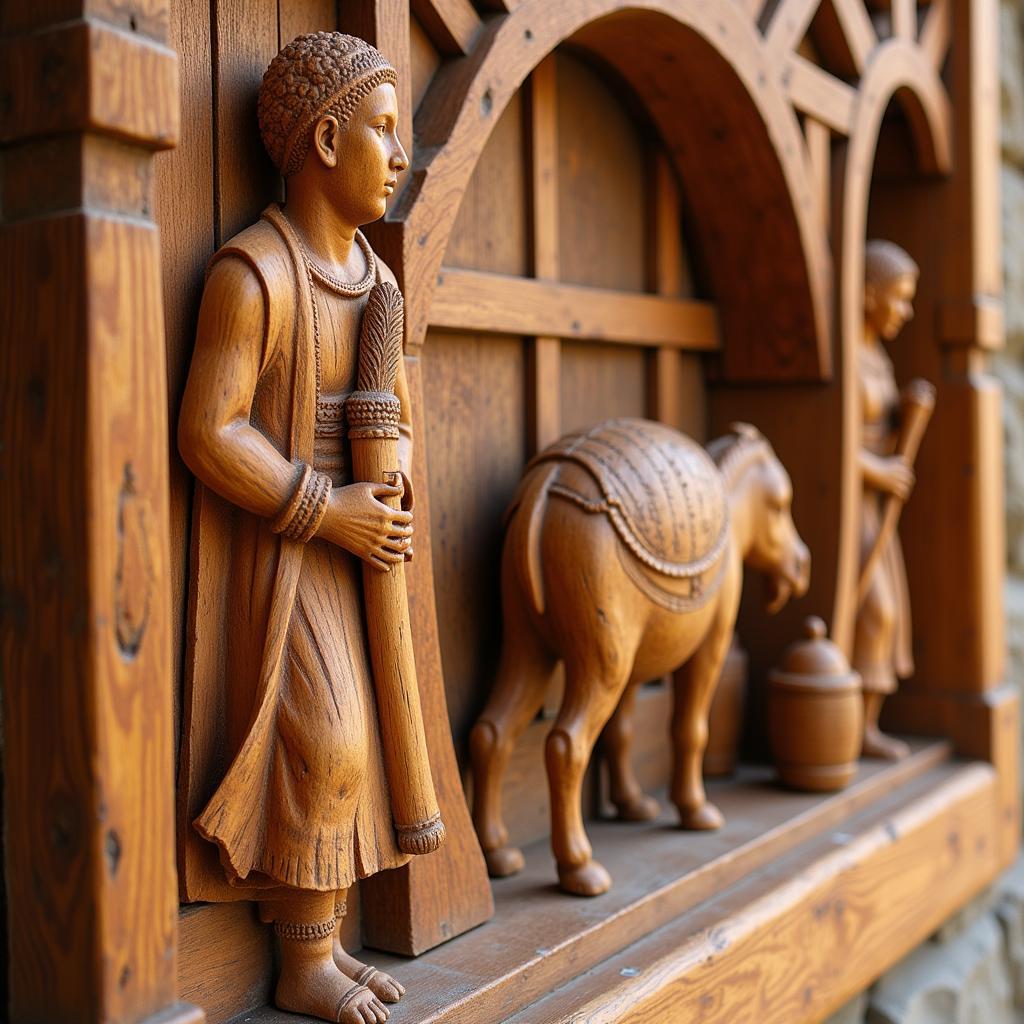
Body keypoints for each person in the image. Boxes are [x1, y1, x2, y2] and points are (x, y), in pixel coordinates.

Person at [178, 32, 416, 1024]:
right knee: (323, 737)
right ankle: (301, 962)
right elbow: (208, 429)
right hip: (289, 545)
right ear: (324, 138)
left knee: (355, 741)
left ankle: (327, 936)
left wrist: (390, 477)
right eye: (383, 130)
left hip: (364, 545)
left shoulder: (373, 280)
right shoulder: (255, 274)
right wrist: (326, 510)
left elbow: (388, 407)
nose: (399, 154)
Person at [854, 239, 919, 760]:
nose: (906, 310)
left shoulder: (878, 355)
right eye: (897, 298)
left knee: (889, 612)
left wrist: (909, 411)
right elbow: (832, 442)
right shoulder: (850, 359)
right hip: (852, 505)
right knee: (871, 608)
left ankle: (865, 724)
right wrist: (877, 471)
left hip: (876, 504)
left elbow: (884, 424)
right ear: (867, 293)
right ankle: (847, 722)